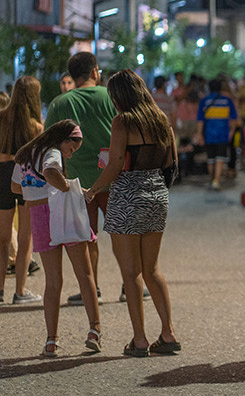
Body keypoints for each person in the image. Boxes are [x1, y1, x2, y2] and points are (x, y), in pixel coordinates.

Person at [85, 70, 180, 358]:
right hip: (156, 195)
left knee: (131, 273)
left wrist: (93, 190)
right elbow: (171, 162)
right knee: (152, 269)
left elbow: (114, 164)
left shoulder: (123, 121)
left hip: (127, 195)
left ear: (121, 96)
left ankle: (139, 339)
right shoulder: (161, 120)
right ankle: (168, 333)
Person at [12, 120, 100, 356]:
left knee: (53, 281)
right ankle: (95, 330)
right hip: (61, 213)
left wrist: (36, 189)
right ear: (63, 139)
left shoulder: (26, 154)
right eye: (71, 149)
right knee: (85, 273)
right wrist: (65, 188)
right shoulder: (52, 152)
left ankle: (51, 340)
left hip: (38, 216)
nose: (69, 155)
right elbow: (51, 171)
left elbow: (15, 187)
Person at [45, 52, 119, 305]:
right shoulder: (111, 96)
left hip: (77, 182)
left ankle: (91, 287)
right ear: (95, 72)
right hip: (113, 178)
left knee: (88, 236)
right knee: (122, 234)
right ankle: (130, 283)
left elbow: (48, 143)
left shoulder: (60, 104)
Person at [0, 76, 44, 304]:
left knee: (3, 237)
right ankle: (20, 291)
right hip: (26, 178)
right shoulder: (36, 126)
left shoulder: (1, 117)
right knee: (25, 237)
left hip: (2, 175)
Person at [196, 78, 238, 190]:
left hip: (209, 135)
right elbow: (234, 118)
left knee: (210, 159)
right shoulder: (227, 101)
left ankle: (212, 179)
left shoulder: (204, 101)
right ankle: (216, 180)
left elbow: (200, 120)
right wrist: (232, 131)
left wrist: (199, 134)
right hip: (223, 134)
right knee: (220, 158)